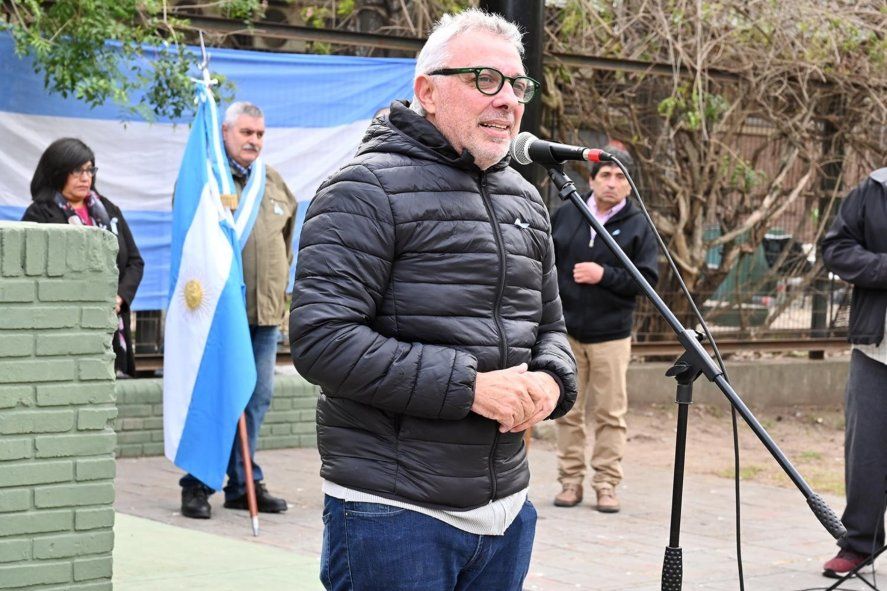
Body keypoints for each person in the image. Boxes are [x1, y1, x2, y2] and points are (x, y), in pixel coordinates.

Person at [290, 8, 577, 591]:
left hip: (506, 509)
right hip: (393, 512)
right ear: (428, 91)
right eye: (485, 80)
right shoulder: (363, 189)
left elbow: (550, 326)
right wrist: (471, 388)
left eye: (517, 85)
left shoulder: (525, 198)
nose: (507, 100)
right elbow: (323, 342)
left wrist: (553, 381)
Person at [178, 102, 298, 520]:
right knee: (214, 396)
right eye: (246, 132)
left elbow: (284, 243)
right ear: (226, 132)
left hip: (263, 315)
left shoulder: (275, 183)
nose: (254, 141)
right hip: (218, 314)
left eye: (260, 134)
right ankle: (197, 484)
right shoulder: (208, 181)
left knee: (256, 397)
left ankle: (243, 482)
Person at [550, 147, 658, 513]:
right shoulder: (567, 215)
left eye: (620, 177)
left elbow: (647, 281)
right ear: (592, 180)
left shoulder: (638, 225)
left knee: (611, 414)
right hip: (567, 332)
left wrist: (604, 276)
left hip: (611, 334)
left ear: (629, 186)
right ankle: (569, 481)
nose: (612, 183)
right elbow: (543, 265)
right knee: (568, 410)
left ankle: (607, 484)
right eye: (605, 175)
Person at [22, 138, 144, 378]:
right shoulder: (39, 213)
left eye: (90, 170)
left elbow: (134, 262)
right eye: (77, 170)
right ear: (57, 172)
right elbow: (31, 270)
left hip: (110, 321)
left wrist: (120, 297)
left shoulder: (108, 210)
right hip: (63, 327)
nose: (85, 177)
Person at [820, 167, 887, 578]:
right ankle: (860, 543)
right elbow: (836, 248)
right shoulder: (873, 189)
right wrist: (884, 269)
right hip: (877, 347)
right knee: (866, 451)